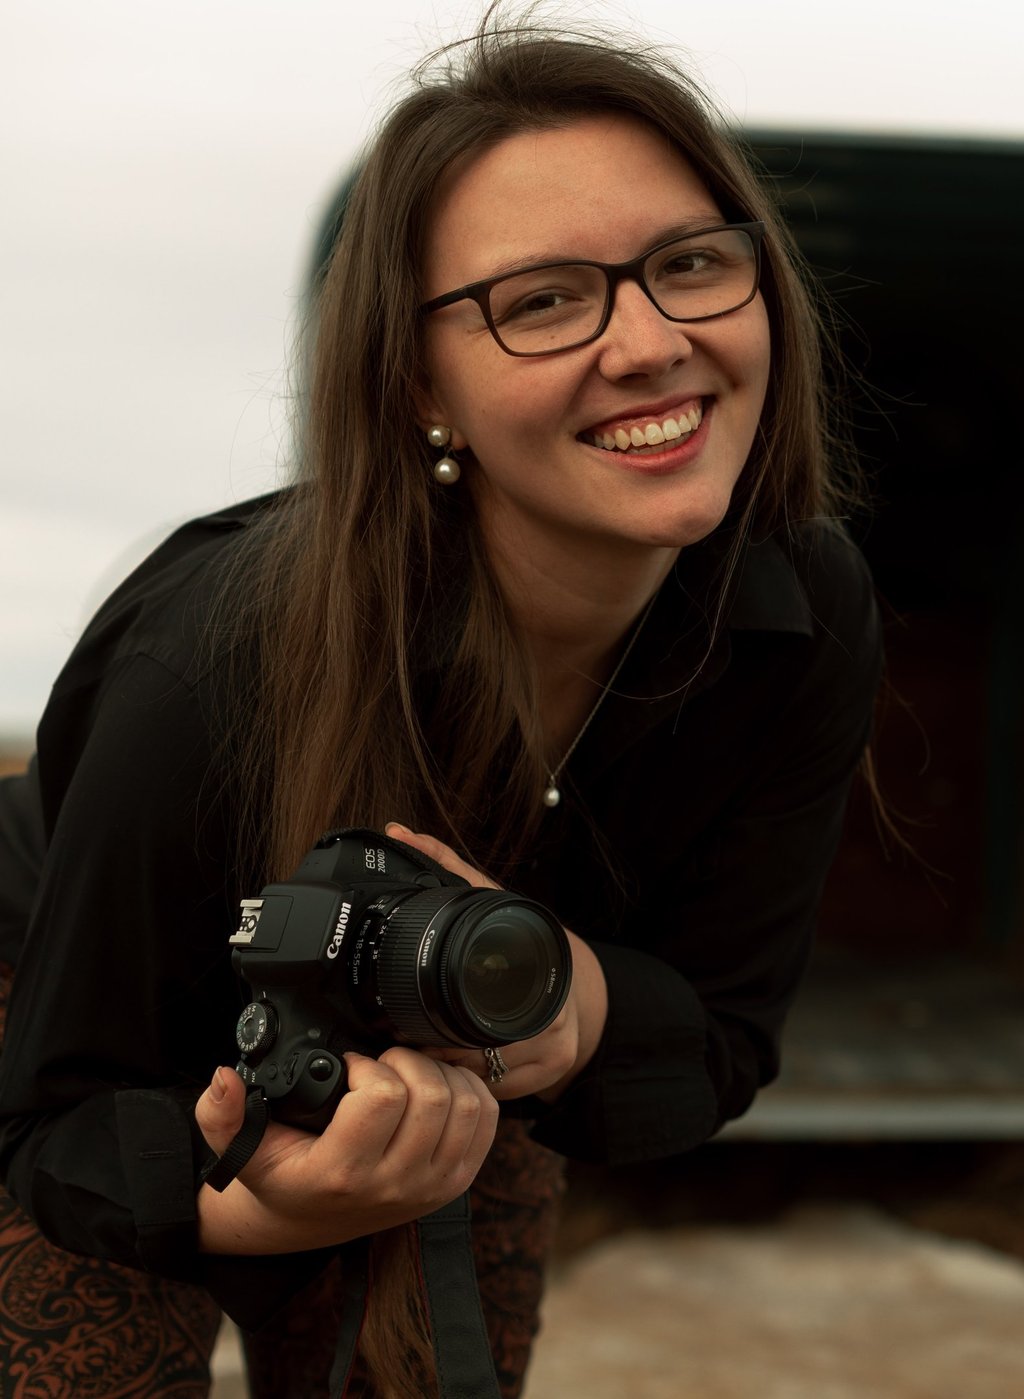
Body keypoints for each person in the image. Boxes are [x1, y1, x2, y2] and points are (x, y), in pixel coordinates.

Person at [0, 6, 883, 1397]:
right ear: (421, 384)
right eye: (542, 300)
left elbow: (717, 1036)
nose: (652, 344)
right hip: (63, 1052)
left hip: (445, 1068)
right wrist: (264, 1210)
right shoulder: (215, 655)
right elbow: (51, 1121)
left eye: (694, 264)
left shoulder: (801, 611)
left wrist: (571, 1009)